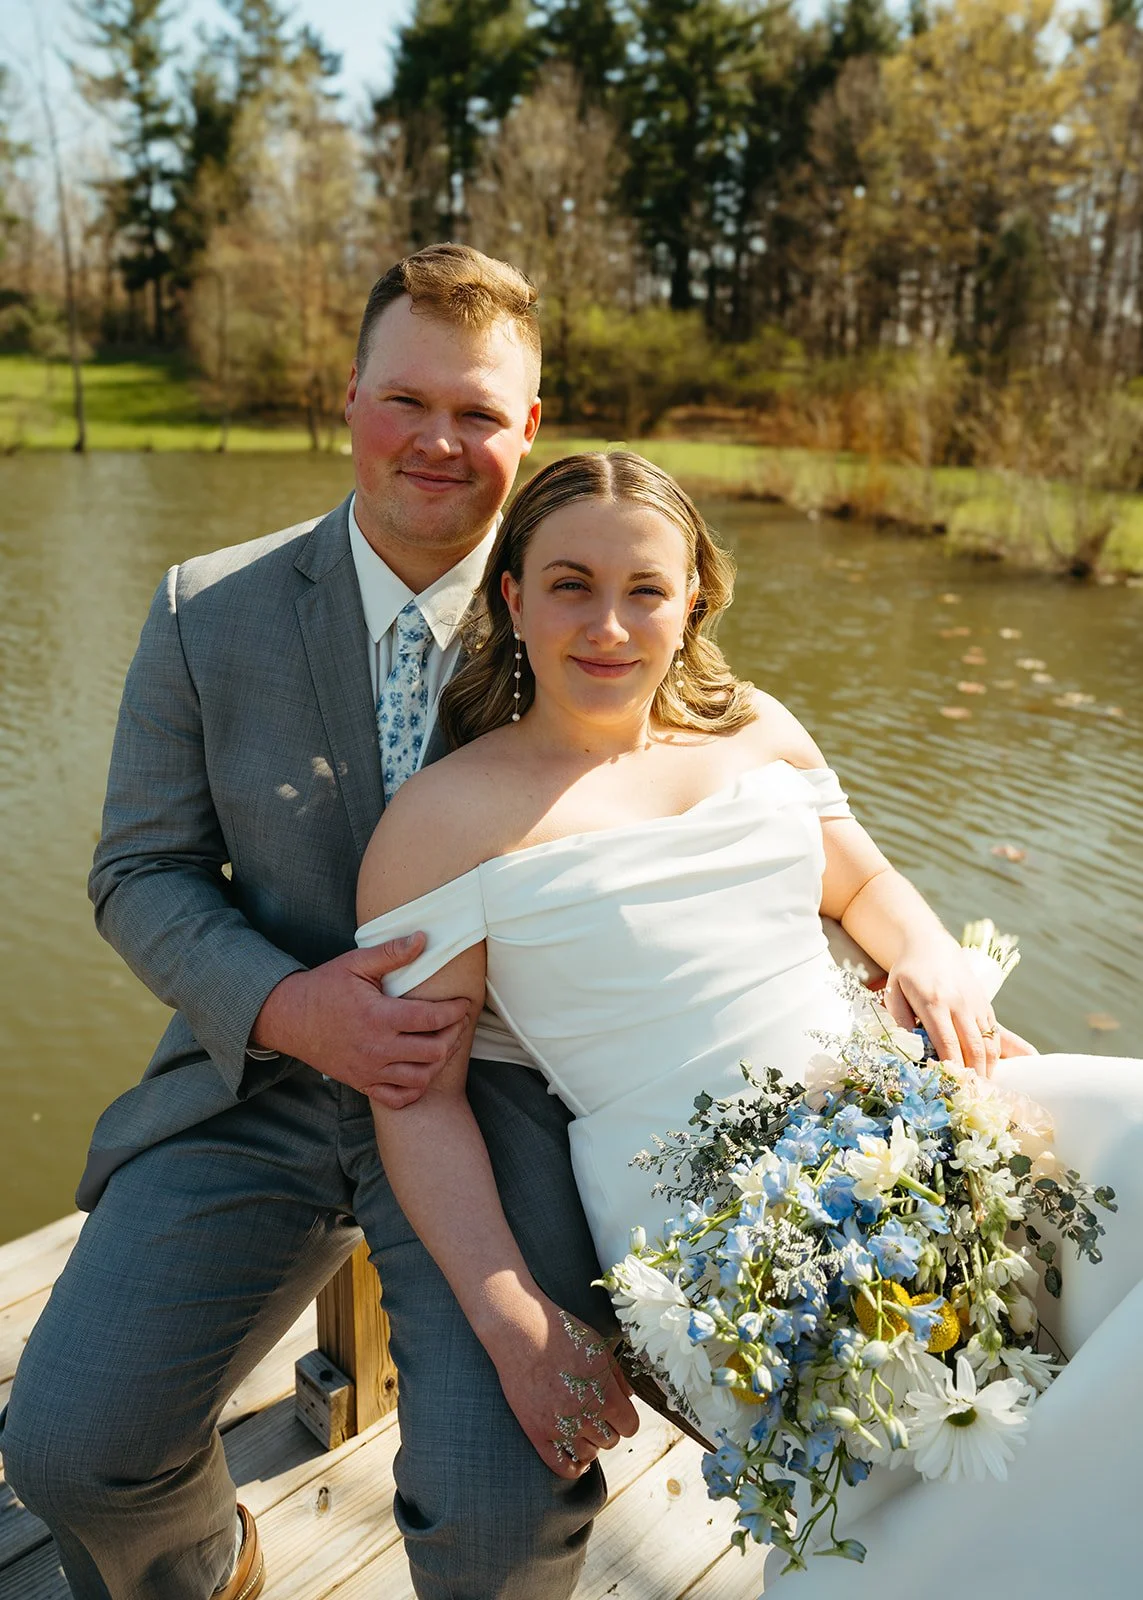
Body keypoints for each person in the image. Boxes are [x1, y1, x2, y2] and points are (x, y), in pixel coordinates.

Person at [354, 449, 1143, 1595]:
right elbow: (415, 1098)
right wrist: (514, 1317)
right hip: (719, 1221)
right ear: (513, 597)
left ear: (694, 603)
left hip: (918, 1111)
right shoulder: (442, 822)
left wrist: (930, 958)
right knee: (926, 1478)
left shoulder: (758, 725)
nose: (610, 625)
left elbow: (864, 887)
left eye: (647, 590)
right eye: (570, 583)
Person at [0, 246, 623, 1600]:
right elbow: (140, 872)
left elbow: (751, 784)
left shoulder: (590, 612)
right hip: (261, 1077)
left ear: (529, 428)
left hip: (499, 1104)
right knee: (66, 1450)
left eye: (478, 411)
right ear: (347, 402)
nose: (437, 441)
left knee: (510, 1509)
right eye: (407, 400)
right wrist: (295, 1009)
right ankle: (209, 1564)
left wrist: (892, 937)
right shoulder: (200, 611)